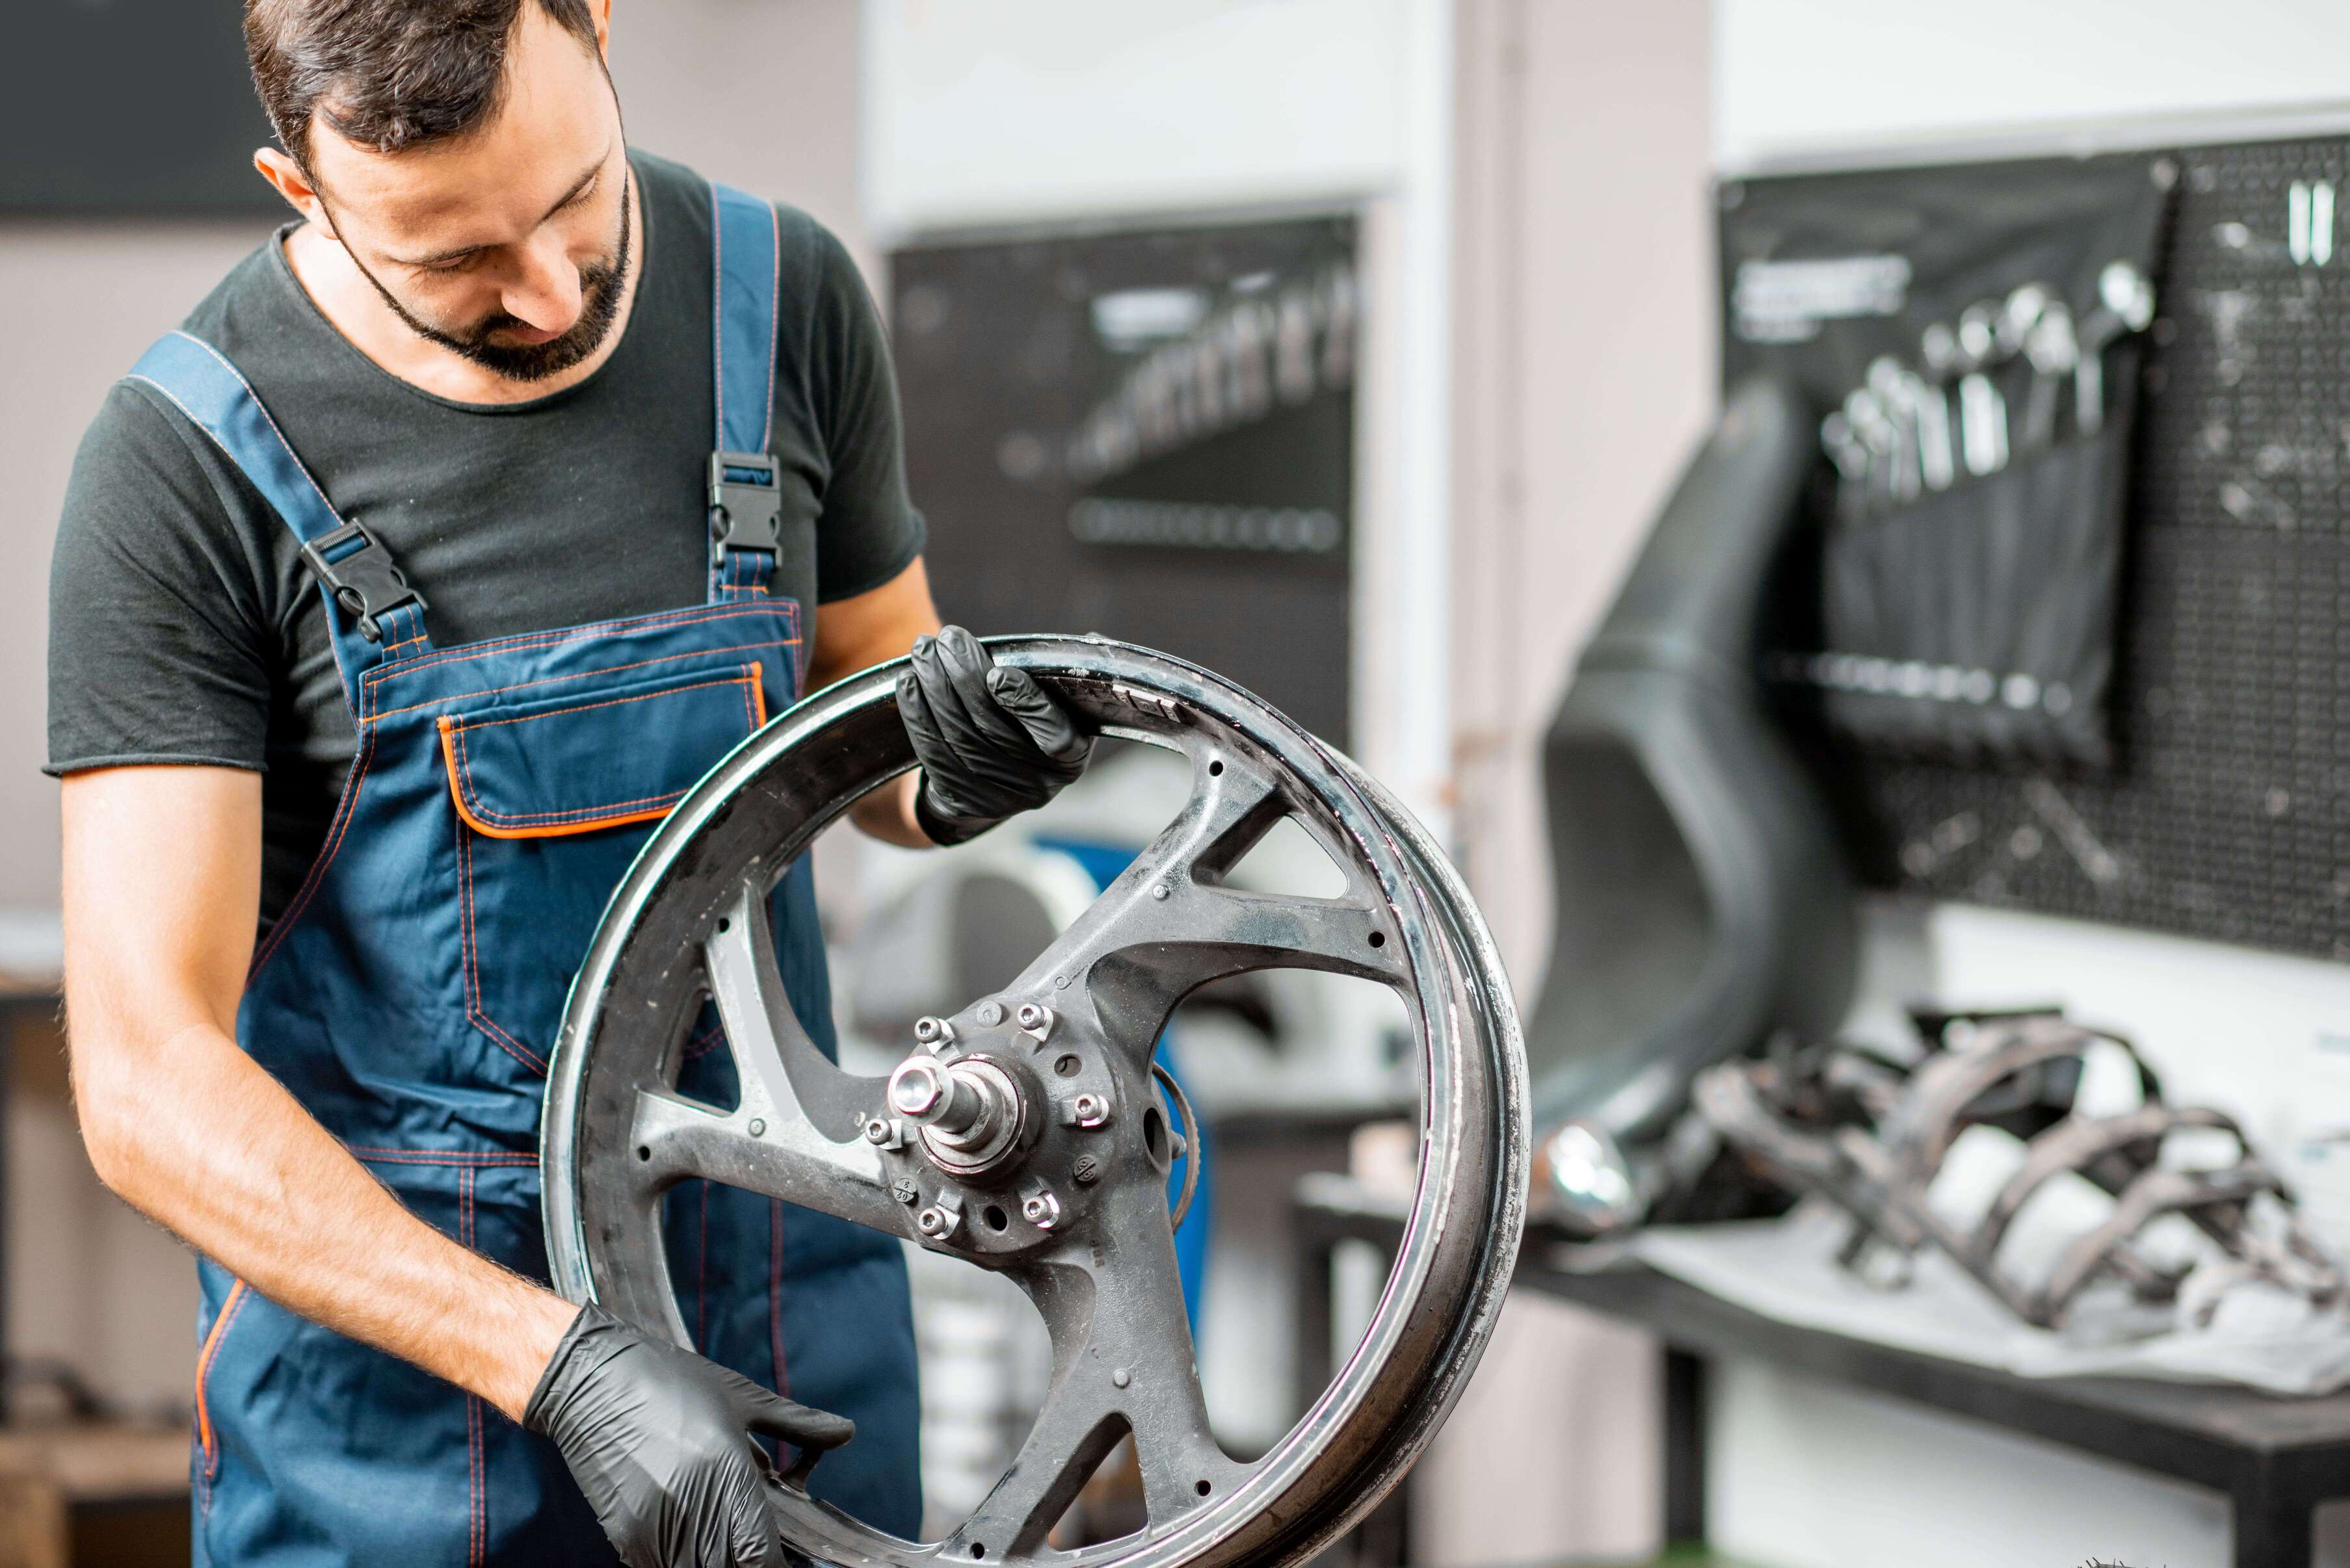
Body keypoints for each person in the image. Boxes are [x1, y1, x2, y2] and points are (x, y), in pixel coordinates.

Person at [47, 3, 1090, 1564]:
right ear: (299, 186)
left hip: (789, 1333)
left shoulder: (782, 296)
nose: (545, 293)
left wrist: (961, 778)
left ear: (595, 22)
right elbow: (144, 1082)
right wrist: (562, 1366)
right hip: (403, 1429)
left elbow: (877, 735)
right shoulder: (183, 466)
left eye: (571, 203)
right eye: (454, 260)